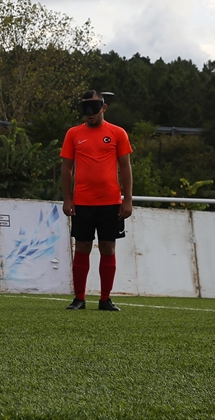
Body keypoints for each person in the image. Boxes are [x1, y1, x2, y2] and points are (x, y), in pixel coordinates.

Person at [60, 90, 132, 311]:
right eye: (85, 110)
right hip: (82, 202)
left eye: (94, 109)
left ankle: (105, 299)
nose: (89, 115)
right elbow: (67, 168)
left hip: (110, 202)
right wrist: (67, 199)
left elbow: (126, 167)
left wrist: (127, 199)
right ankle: (79, 298)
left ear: (104, 108)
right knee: (82, 246)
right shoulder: (73, 134)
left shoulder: (118, 133)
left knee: (108, 247)